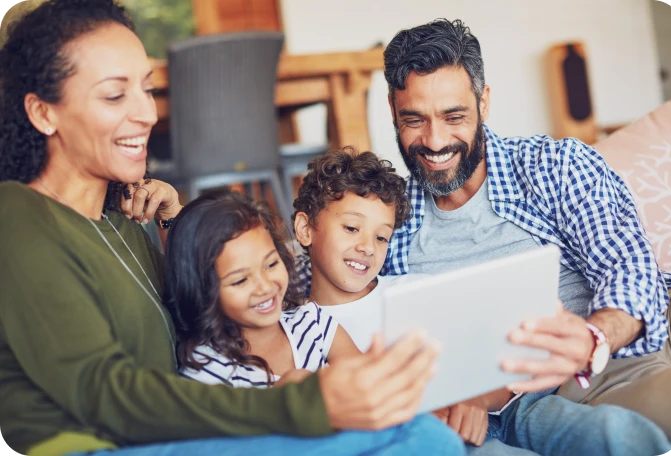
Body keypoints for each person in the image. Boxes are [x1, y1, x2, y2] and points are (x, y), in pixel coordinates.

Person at [0, 2, 467, 455]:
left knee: (419, 433)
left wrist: (179, 222)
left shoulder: (123, 218)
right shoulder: (17, 217)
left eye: (145, 89)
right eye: (114, 94)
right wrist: (298, 402)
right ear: (44, 112)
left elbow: (196, 303)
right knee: (419, 440)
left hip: (167, 433)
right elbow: (103, 392)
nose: (147, 113)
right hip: (87, 445)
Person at [374, 18, 671, 444]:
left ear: (483, 103)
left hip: (643, 321)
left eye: (454, 116)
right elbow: (316, 292)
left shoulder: (553, 166)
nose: (435, 140)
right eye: (414, 119)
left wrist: (594, 336)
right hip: (582, 386)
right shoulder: (385, 222)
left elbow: (626, 262)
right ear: (392, 110)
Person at [292, 149, 671, 455]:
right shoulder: (296, 332)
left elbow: (491, 361)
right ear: (305, 229)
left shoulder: (414, 288)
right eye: (351, 228)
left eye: (381, 237)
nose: (366, 247)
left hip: (513, 407)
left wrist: (472, 397)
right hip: (436, 435)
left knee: (612, 430)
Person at [164, 189, 360, 387]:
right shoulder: (207, 370)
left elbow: (366, 386)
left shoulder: (314, 324)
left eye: (271, 265)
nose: (265, 287)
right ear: (202, 291)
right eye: (240, 280)